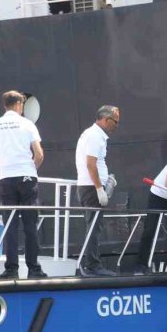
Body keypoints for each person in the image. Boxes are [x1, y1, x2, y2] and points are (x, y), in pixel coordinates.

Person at [0, 91, 47, 280]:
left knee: (10, 224)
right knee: (30, 225)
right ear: (20, 105)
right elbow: (39, 153)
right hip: (27, 177)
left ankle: (11, 269)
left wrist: (1, 170)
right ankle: (33, 268)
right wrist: (31, 170)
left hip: (6, 179)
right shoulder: (28, 124)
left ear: (5, 105)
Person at [75, 105, 120, 277]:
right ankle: (92, 265)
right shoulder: (95, 136)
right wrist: (100, 189)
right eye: (115, 122)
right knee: (94, 226)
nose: (117, 126)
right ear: (106, 120)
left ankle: (92, 263)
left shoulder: (93, 134)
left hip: (90, 186)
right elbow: (90, 164)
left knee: (94, 225)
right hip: (92, 187)